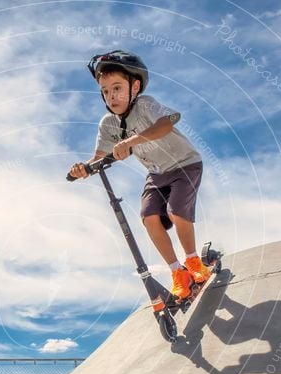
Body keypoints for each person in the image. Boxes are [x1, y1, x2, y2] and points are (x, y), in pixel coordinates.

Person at [68, 50, 209, 300]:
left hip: (185, 164)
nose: (111, 96)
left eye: (117, 88)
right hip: (156, 174)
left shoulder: (146, 104)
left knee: (175, 212)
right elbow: (99, 157)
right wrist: (83, 169)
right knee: (149, 217)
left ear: (135, 86)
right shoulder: (108, 124)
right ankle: (179, 272)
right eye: (105, 91)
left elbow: (167, 122)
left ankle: (194, 262)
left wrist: (132, 140)